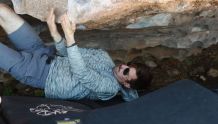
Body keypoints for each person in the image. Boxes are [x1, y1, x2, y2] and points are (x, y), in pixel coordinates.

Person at [0, 4, 152, 101]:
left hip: (38, 74)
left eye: (126, 72)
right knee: (3, 11)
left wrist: (70, 36)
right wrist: (53, 31)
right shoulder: (104, 57)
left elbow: (82, 73)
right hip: (43, 51)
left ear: (126, 84)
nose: (123, 66)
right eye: (128, 65)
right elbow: (69, 52)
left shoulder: (110, 88)